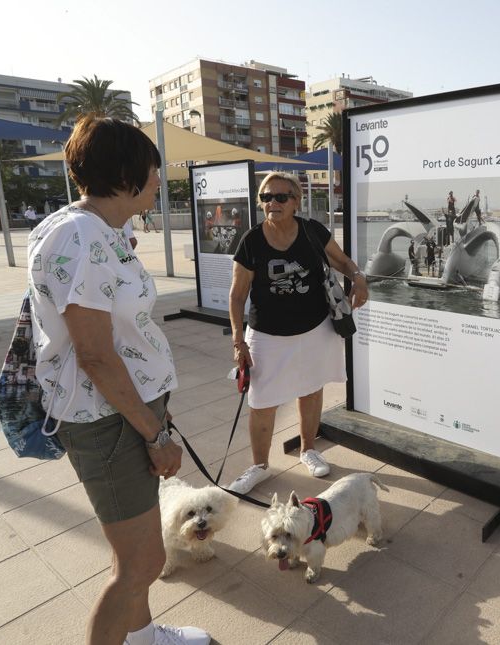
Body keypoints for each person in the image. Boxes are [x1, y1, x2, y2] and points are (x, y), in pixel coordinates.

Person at [28, 116, 210, 645]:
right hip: (106, 420)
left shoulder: (96, 229)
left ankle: (143, 636)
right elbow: (96, 357)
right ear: (128, 173)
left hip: (122, 410)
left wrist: (157, 409)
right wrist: (154, 433)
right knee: (141, 564)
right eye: (156, 171)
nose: (159, 181)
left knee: (133, 552)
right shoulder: (81, 238)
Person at [227, 172, 368, 492]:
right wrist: (238, 341)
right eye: (266, 198)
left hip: (314, 328)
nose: (272, 203)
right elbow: (237, 296)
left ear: (295, 202)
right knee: (260, 401)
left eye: (280, 197)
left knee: (311, 389)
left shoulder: (311, 231)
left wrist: (359, 277)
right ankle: (259, 466)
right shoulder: (251, 240)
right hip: (267, 335)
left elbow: (344, 263)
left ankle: (308, 450)